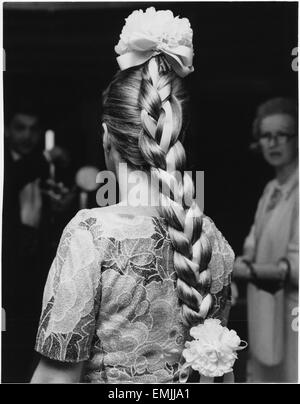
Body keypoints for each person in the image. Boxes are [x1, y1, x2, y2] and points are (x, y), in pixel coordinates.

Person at [31, 8, 234, 384]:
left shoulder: (90, 233)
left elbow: (56, 379)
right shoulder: (212, 239)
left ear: (107, 136)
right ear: (176, 137)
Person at [2, 101, 74, 382]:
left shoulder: (45, 168)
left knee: (33, 334)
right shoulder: (5, 162)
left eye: (33, 129)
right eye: (20, 128)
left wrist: (60, 207)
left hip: (37, 263)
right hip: (8, 263)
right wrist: (46, 156)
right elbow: (13, 180)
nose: (27, 135)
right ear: (7, 130)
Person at [233, 97, 298, 382]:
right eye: (266, 136)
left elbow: (296, 267)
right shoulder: (271, 189)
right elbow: (252, 243)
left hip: (293, 314)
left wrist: (247, 270)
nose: (273, 143)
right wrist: (241, 262)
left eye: (282, 135)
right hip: (264, 310)